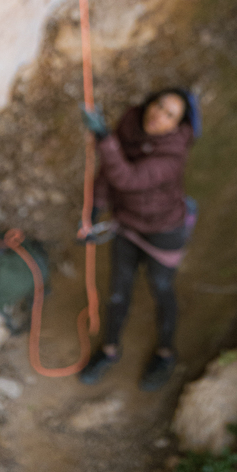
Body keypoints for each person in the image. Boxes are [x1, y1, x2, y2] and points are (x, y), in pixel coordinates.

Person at [78, 88, 198, 391]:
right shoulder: (131, 123)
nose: (158, 115)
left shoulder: (173, 154)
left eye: (170, 115)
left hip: (163, 230)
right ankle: (109, 349)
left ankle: (166, 353)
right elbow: (109, 171)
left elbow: (129, 179)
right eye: (158, 105)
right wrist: (93, 212)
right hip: (127, 224)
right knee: (118, 291)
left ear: (177, 126)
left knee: (161, 288)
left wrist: (103, 137)